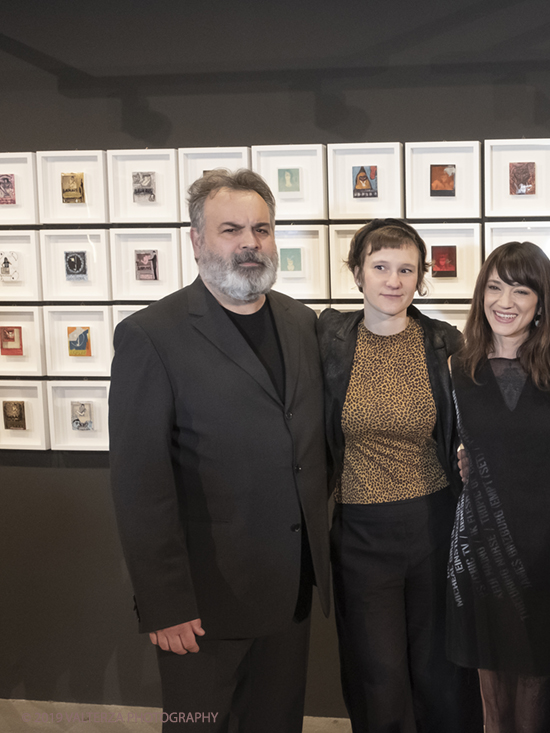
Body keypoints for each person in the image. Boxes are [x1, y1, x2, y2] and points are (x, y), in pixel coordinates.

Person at [109, 169, 329, 732]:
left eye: (261, 228)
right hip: (201, 608)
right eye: (231, 229)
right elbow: (140, 485)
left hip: (289, 596)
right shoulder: (151, 336)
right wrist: (164, 604)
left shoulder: (303, 324)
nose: (249, 243)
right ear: (197, 240)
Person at [317, 218, 478, 733]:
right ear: (357, 273)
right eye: (380, 266)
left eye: (406, 269)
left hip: (433, 524)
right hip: (360, 533)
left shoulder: (443, 342)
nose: (393, 280)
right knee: (377, 672)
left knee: (439, 670)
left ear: (421, 278)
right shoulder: (329, 338)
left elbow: (478, 418)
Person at [447, 241, 550, 733]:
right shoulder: (457, 369)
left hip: (546, 555)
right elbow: (452, 453)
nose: (504, 301)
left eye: (520, 289)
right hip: (481, 552)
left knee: (537, 687)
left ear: (542, 301)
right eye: (494, 287)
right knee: (491, 694)